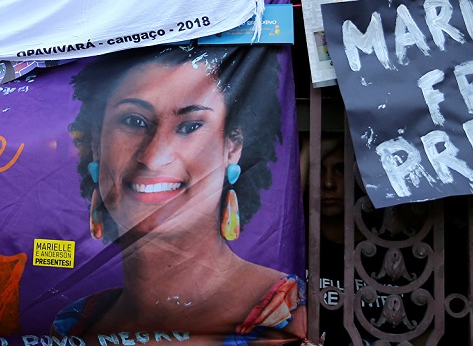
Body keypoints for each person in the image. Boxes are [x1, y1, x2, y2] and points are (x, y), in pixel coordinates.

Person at [51, 45, 306, 345]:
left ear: (232, 148)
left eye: (190, 126)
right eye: (134, 121)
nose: (154, 156)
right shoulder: (74, 324)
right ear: (97, 145)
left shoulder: (287, 314)